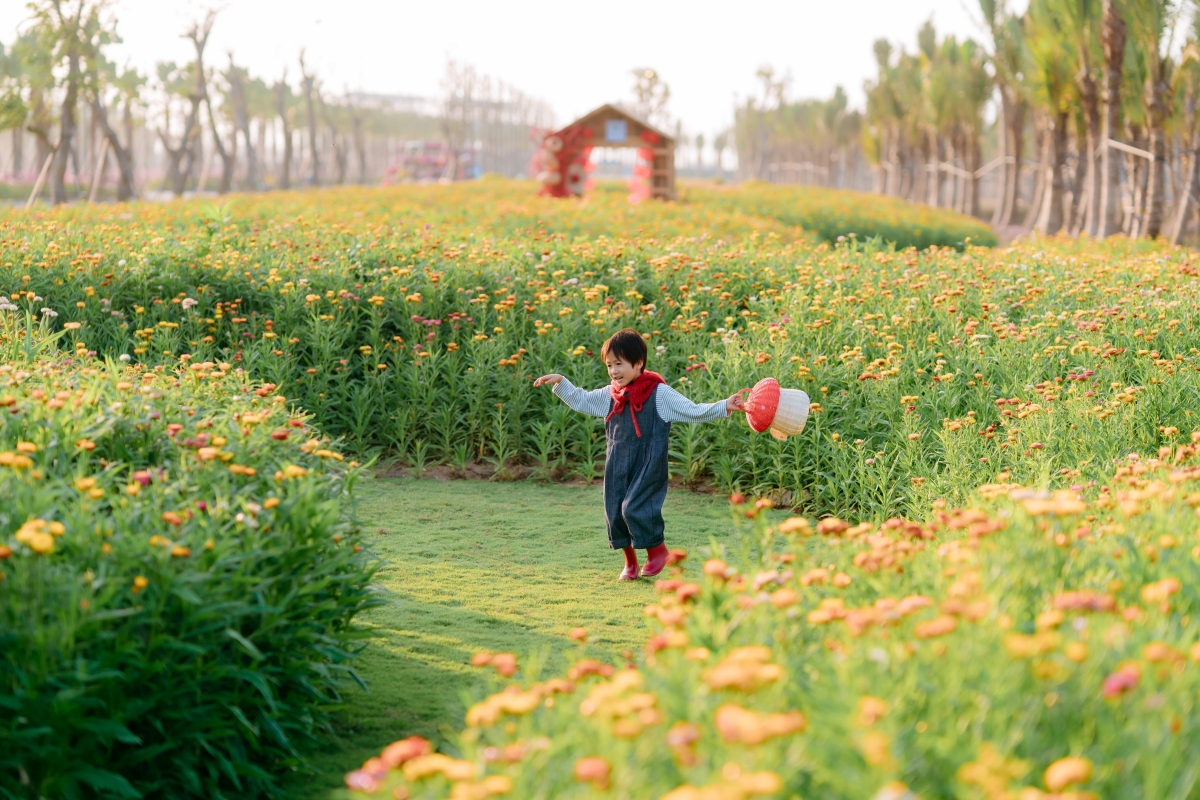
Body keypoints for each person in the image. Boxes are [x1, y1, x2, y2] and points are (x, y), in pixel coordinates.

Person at [533, 328, 745, 581]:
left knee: (634, 507)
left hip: (648, 462)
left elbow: (692, 410)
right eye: (609, 365)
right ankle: (630, 562)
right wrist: (561, 382)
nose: (613, 371)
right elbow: (583, 400)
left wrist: (724, 405)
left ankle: (659, 552)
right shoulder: (611, 394)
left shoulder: (659, 393)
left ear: (639, 363)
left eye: (619, 364)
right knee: (615, 512)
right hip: (617, 461)